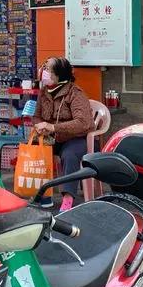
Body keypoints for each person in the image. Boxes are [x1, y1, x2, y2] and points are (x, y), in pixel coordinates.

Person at [32, 57, 94, 211]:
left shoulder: (75, 93)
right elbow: (37, 116)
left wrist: (53, 127)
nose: (43, 72)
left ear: (59, 74)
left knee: (69, 155)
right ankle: (44, 195)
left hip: (76, 138)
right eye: (44, 67)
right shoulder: (44, 92)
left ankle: (68, 197)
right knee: (36, 151)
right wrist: (39, 126)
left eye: (48, 69)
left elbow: (82, 123)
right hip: (52, 138)